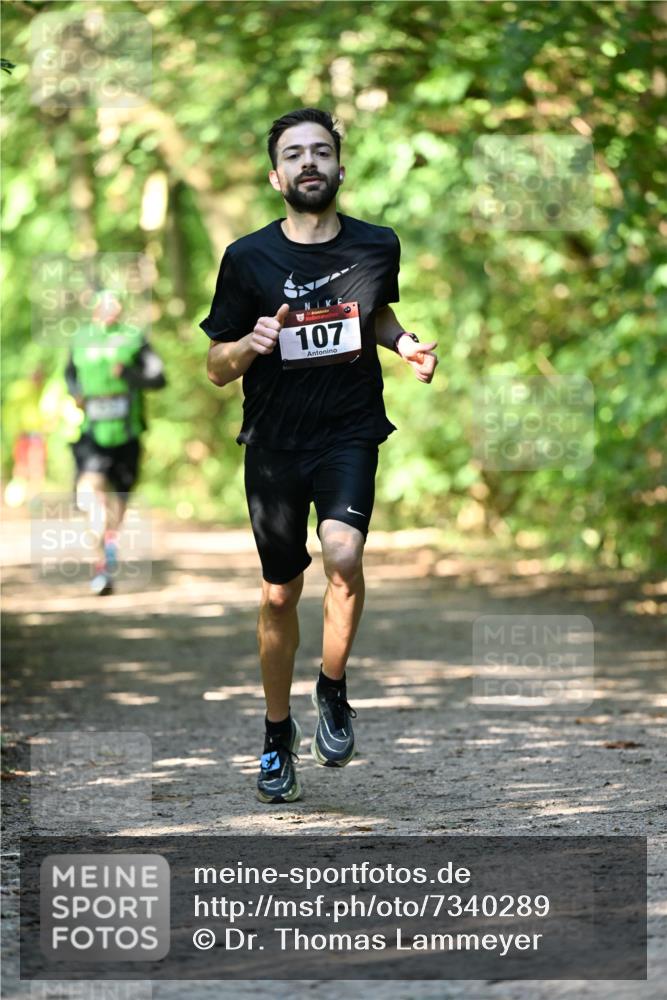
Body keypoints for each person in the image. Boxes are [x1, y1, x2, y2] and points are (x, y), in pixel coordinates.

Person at [201, 108, 437, 803]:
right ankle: (277, 734)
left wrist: (405, 344)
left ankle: (331, 687)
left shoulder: (375, 245)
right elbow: (215, 366)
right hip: (273, 442)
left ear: (339, 167)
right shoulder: (247, 258)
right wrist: (251, 345)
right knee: (279, 590)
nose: (309, 163)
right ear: (276, 175)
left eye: (321, 152)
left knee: (342, 556)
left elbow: (377, 313)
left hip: (348, 430)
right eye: (294, 154)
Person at [65, 288, 166, 595]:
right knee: (89, 494)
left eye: (117, 305)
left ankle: (106, 559)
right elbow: (69, 374)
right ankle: (99, 555)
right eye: (106, 305)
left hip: (128, 434)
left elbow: (159, 378)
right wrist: (77, 393)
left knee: (117, 510)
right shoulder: (81, 338)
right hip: (92, 434)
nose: (112, 310)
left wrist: (130, 375)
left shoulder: (134, 338)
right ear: (95, 308)